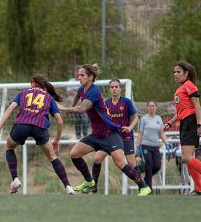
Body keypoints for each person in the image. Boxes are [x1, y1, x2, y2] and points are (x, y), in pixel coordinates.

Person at [58, 64, 151, 196]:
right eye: (78, 75)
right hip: (96, 135)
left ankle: (144, 186)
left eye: (82, 75)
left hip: (109, 134)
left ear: (90, 77)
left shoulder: (94, 91)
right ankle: (90, 182)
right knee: (74, 154)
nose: (78, 77)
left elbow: (82, 109)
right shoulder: (82, 89)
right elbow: (78, 95)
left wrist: (65, 109)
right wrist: (72, 105)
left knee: (121, 164)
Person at [0, 74, 76, 195]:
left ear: (32, 83)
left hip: (22, 125)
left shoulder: (23, 93)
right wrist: (57, 140)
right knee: (52, 157)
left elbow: (10, 108)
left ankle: (15, 179)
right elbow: (60, 122)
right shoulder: (48, 97)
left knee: (9, 147)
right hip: (40, 127)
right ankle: (68, 186)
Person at [83, 78, 139, 193]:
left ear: (120, 89)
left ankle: (143, 186)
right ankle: (94, 186)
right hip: (111, 137)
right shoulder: (105, 104)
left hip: (125, 136)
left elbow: (136, 117)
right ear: (109, 90)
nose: (114, 89)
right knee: (97, 158)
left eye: (116, 87)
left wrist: (129, 127)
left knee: (132, 164)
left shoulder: (126, 102)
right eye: (112, 87)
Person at [163, 61, 201, 196]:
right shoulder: (180, 89)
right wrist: (170, 122)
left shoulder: (189, 85)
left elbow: (197, 106)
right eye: (174, 72)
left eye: (178, 72)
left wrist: (199, 124)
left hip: (191, 122)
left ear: (187, 73)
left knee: (186, 157)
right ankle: (198, 189)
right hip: (185, 123)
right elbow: (180, 112)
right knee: (188, 157)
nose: (175, 74)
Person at [136, 101, 168, 192]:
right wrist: (137, 147)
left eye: (153, 106)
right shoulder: (143, 119)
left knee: (157, 166)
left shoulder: (159, 119)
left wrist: (166, 143)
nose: (151, 107)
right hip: (145, 146)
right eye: (149, 106)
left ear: (156, 107)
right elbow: (140, 134)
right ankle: (148, 190)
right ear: (147, 108)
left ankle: (144, 181)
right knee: (149, 167)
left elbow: (161, 133)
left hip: (155, 146)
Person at [66, 65, 89, 139]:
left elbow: (86, 91)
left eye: (80, 72)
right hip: (74, 106)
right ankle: (78, 137)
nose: (78, 74)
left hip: (84, 105)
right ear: (74, 72)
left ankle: (85, 137)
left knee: (85, 120)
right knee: (77, 121)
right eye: (76, 72)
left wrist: (77, 92)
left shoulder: (84, 81)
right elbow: (69, 91)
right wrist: (79, 93)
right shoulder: (71, 81)